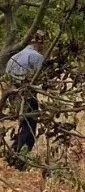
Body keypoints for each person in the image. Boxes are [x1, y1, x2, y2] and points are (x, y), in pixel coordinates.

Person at [5, 34, 46, 168]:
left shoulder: (13, 57)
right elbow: (42, 78)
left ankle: (13, 155)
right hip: (28, 95)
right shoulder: (37, 57)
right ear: (40, 43)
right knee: (29, 127)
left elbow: (6, 78)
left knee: (23, 125)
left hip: (13, 95)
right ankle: (19, 159)